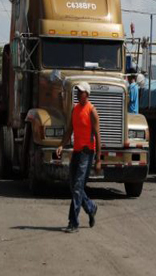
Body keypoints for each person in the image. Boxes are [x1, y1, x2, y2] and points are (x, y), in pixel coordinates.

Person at [56, 82, 101, 233]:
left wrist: (98, 159)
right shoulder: (75, 109)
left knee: (77, 187)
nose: (77, 93)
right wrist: (62, 145)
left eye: (80, 91)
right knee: (73, 185)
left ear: (87, 94)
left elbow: (97, 136)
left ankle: (73, 222)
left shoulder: (92, 111)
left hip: (87, 153)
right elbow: (70, 129)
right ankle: (91, 207)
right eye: (77, 91)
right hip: (76, 152)